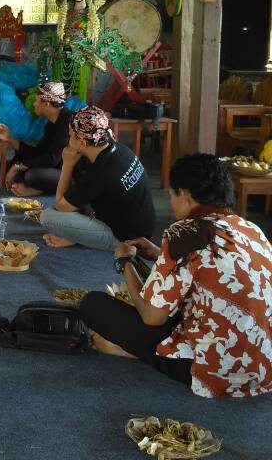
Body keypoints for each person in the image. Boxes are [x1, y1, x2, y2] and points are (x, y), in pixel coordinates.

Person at [79, 154, 272, 397]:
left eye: (171, 194)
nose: (171, 202)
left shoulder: (184, 231)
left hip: (218, 371)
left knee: (92, 304)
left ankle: (134, 351)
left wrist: (125, 261)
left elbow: (151, 318)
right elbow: (208, 268)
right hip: (265, 366)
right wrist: (161, 254)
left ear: (185, 194)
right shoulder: (250, 228)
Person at [39, 105, 154, 250]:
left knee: (48, 217)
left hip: (125, 239)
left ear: (81, 143)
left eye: (70, 136)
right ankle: (78, 235)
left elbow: (61, 206)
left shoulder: (101, 172)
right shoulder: (120, 149)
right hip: (142, 229)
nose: (68, 141)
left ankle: (78, 238)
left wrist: (67, 164)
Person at [0, 80, 74, 196]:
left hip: (76, 177)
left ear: (46, 104)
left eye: (36, 101)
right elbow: (39, 153)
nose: (34, 104)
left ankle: (38, 190)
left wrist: (18, 167)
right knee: (17, 165)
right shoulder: (53, 121)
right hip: (57, 168)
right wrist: (10, 138)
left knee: (32, 175)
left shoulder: (67, 122)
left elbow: (52, 159)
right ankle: (33, 186)